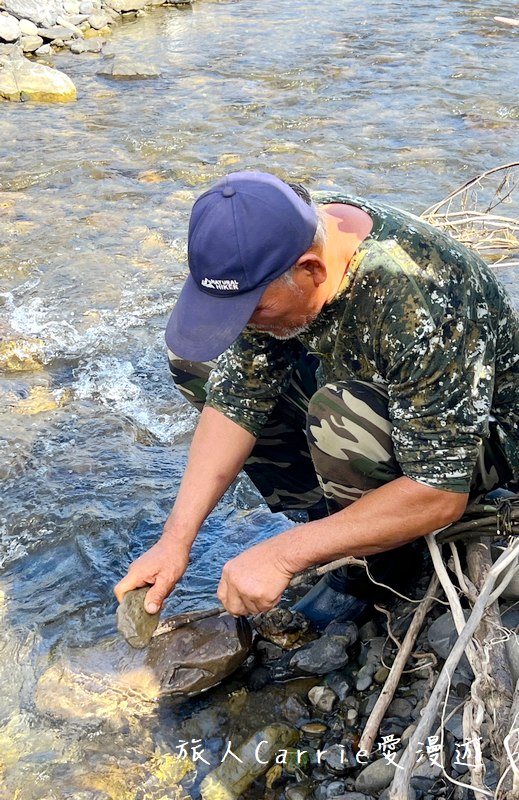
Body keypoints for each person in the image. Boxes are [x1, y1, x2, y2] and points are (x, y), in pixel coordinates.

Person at [114, 171, 519, 626]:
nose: (246, 326)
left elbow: (440, 493)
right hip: (369, 385)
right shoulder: (277, 242)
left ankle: (376, 568)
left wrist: (285, 555)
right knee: (201, 366)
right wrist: (175, 542)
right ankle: (333, 518)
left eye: (255, 310)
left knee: (340, 417)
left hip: (481, 435)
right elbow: (237, 400)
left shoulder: (420, 302)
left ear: (312, 269)